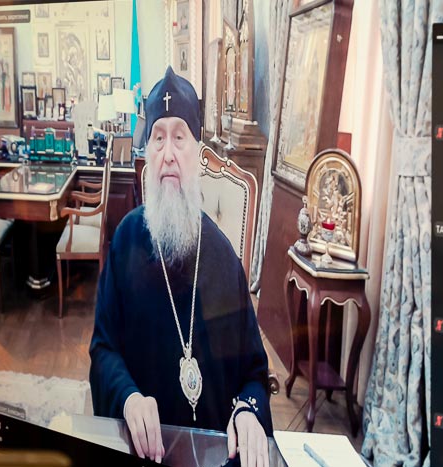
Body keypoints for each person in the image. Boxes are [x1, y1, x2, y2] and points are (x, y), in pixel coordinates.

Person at [89, 66, 272, 467]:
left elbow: (255, 373)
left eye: (179, 137)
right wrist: (128, 398)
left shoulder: (224, 260)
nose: (168, 153)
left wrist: (247, 412)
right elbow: (103, 351)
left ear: (197, 155)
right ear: (147, 156)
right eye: (158, 138)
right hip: (143, 452)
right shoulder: (125, 242)